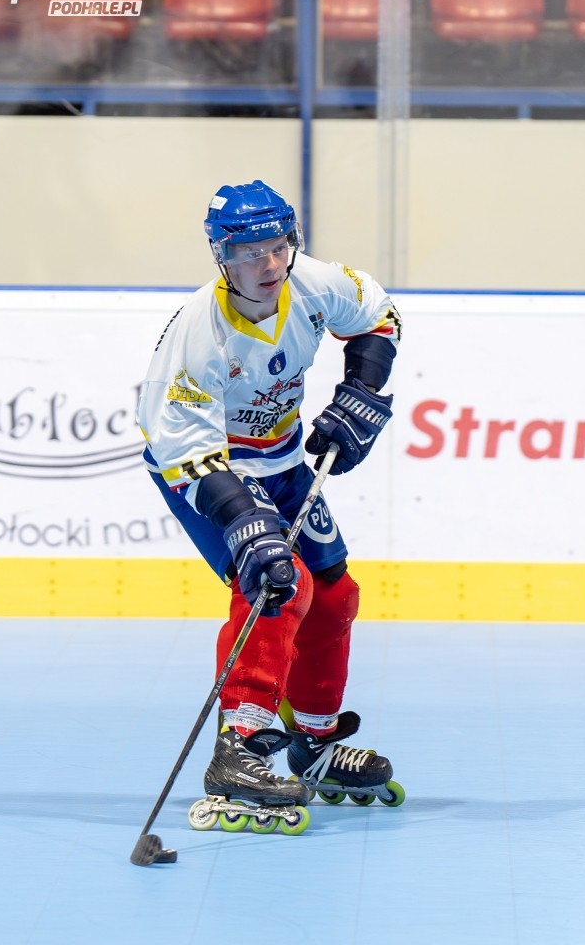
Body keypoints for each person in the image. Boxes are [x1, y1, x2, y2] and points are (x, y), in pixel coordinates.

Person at [137, 180, 403, 825]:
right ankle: (242, 744)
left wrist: (362, 393)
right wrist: (242, 517)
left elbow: (378, 314)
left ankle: (314, 740)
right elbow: (177, 446)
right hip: (209, 467)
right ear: (221, 257)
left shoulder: (313, 283)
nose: (268, 263)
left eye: (279, 246)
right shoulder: (197, 335)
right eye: (248, 252)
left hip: (282, 459)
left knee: (334, 593)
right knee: (278, 583)